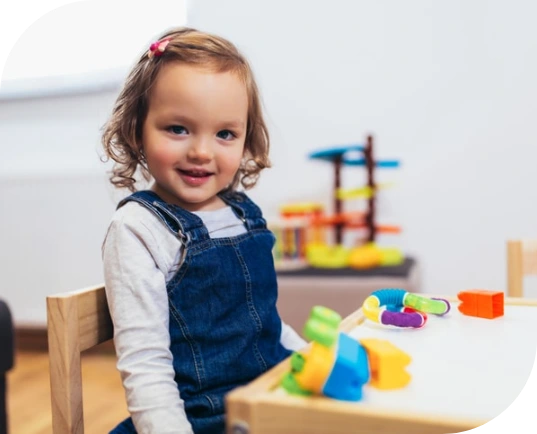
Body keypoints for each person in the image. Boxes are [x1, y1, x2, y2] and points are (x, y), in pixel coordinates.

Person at [100, 26, 307, 434]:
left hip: (271, 396)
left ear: (247, 139)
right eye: (178, 128)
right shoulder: (138, 228)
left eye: (225, 133)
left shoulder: (243, 213)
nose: (201, 151)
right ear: (136, 129)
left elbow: (264, 323)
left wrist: (313, 356)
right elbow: (146, 368)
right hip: (200, 418)